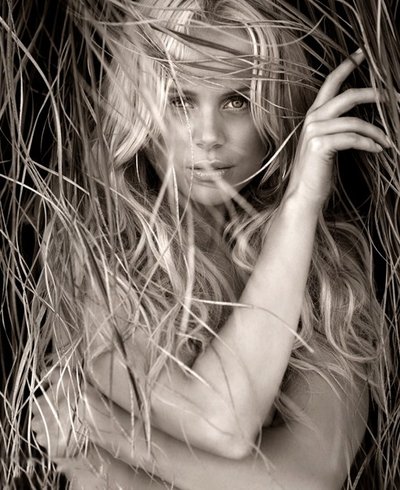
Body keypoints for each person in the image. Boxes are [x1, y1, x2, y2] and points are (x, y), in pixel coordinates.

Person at [2, 0, 399, 488]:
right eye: (180, 101)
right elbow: (222, 423)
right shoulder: (101, 249)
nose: (209, 136)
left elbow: (309, 477)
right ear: (139, 112)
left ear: (279, 111)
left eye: (238, 101)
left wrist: (113, 432)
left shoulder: (329, 264)